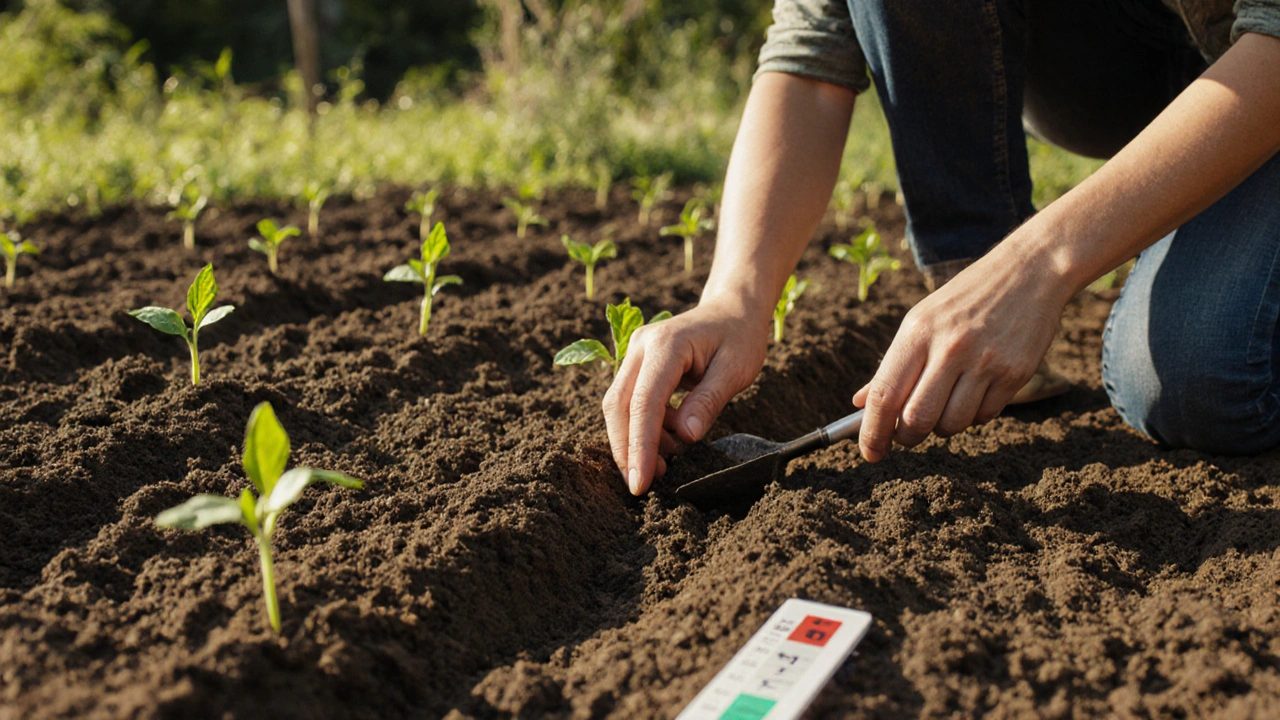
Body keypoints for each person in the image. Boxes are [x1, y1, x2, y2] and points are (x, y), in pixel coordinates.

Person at [602, 0, 1280, 495]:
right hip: (1142, 62)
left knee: (1203, 379)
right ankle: (987, 298)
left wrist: (1038, 264)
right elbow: (811, 54)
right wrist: (734, 296)